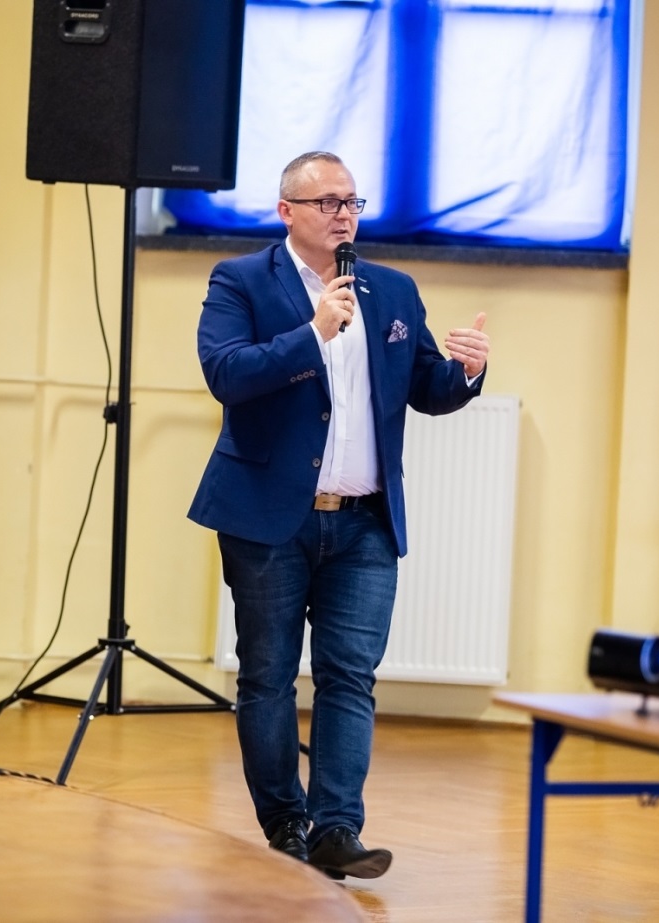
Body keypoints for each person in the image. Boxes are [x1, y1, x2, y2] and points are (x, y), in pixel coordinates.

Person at [187, 151, 490, 880]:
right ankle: (285, 823)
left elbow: (426, 385)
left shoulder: (392, 289)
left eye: (352, 202)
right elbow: (226, 374)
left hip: (364, 523)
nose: (343, 215)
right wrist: (313, 331)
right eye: (327, 202)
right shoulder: (240, 280)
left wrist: (468, 372)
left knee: (350, 676)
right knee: (267, 676)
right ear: (286, 211)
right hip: (270, 519)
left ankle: (337, 829)